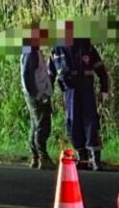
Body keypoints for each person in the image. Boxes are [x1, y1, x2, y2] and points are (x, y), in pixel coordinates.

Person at [49, 38, 109, 171]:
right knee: (73, 123)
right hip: (70, 91)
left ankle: (95, 159)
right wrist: (47, 95)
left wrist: (104, 89)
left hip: (86, 89)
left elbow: (101, 70)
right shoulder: (58, 49)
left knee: (91, 123)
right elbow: (50, 74)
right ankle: (82, 158)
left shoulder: (86, 47)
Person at [20, 44, 55, 170]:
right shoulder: (31, 53)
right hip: (38, 95)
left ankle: (35, 156)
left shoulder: (31, 51)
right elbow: (26, 75)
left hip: (36, 93)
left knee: (35, 125)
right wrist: (36, 94)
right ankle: (42, 157)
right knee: (42, 125)